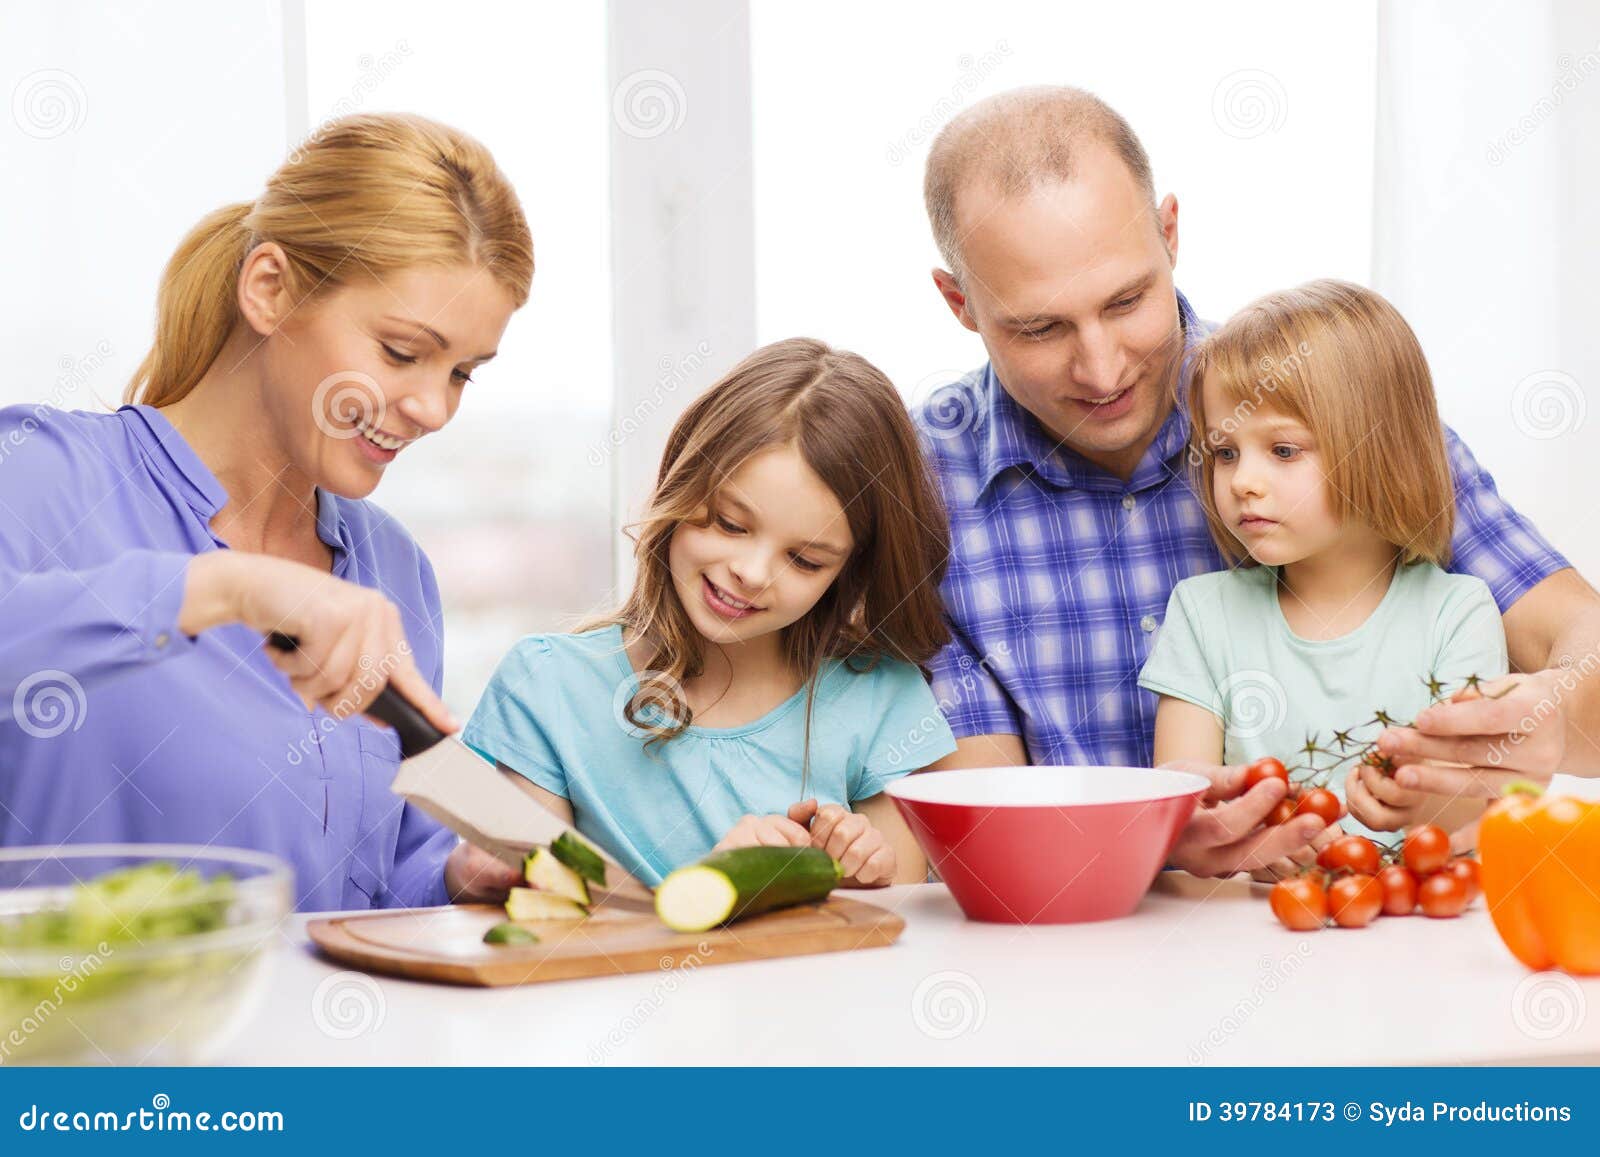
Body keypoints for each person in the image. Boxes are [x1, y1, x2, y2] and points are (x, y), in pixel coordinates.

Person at [914, 86, 1598, 875]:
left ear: (1170, 233)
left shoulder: (1332, 402)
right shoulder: (916, 489)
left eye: (1128, 300)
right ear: (960, 302)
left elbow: (1578, 638)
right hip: (1081, 956)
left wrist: (1557, 714)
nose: (1102, 369)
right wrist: (1153, 831)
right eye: (1040, 327)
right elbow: (984, 827)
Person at [0, 113, 530, 910]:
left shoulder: (394, 572)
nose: (432, 407)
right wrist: (226, 589)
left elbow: (384, 877)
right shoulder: (43, 477)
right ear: (270, 289)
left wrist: (457, 875)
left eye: (463, 372)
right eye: (400, 352)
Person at [463, 339, 956, 886]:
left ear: (849, 572)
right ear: (680, 482)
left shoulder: (880, 696)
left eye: (803, 559)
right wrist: (719, 884)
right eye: (729, 523)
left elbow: (887, 930)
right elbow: (545, 918)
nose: (752, 571)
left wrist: (858, 874)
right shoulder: (547, 686)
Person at [1138, 280, 1508, 875]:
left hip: (1410, 935)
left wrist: (1415, 797)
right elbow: (1186, 799)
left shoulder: (1458, 612)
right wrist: (1217, 831)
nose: (1241, 482)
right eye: (1225, 452)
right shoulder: (1201, 613)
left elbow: (1474, 806)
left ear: (1380, 449)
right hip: (1247, 929)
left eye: (1283, 451)